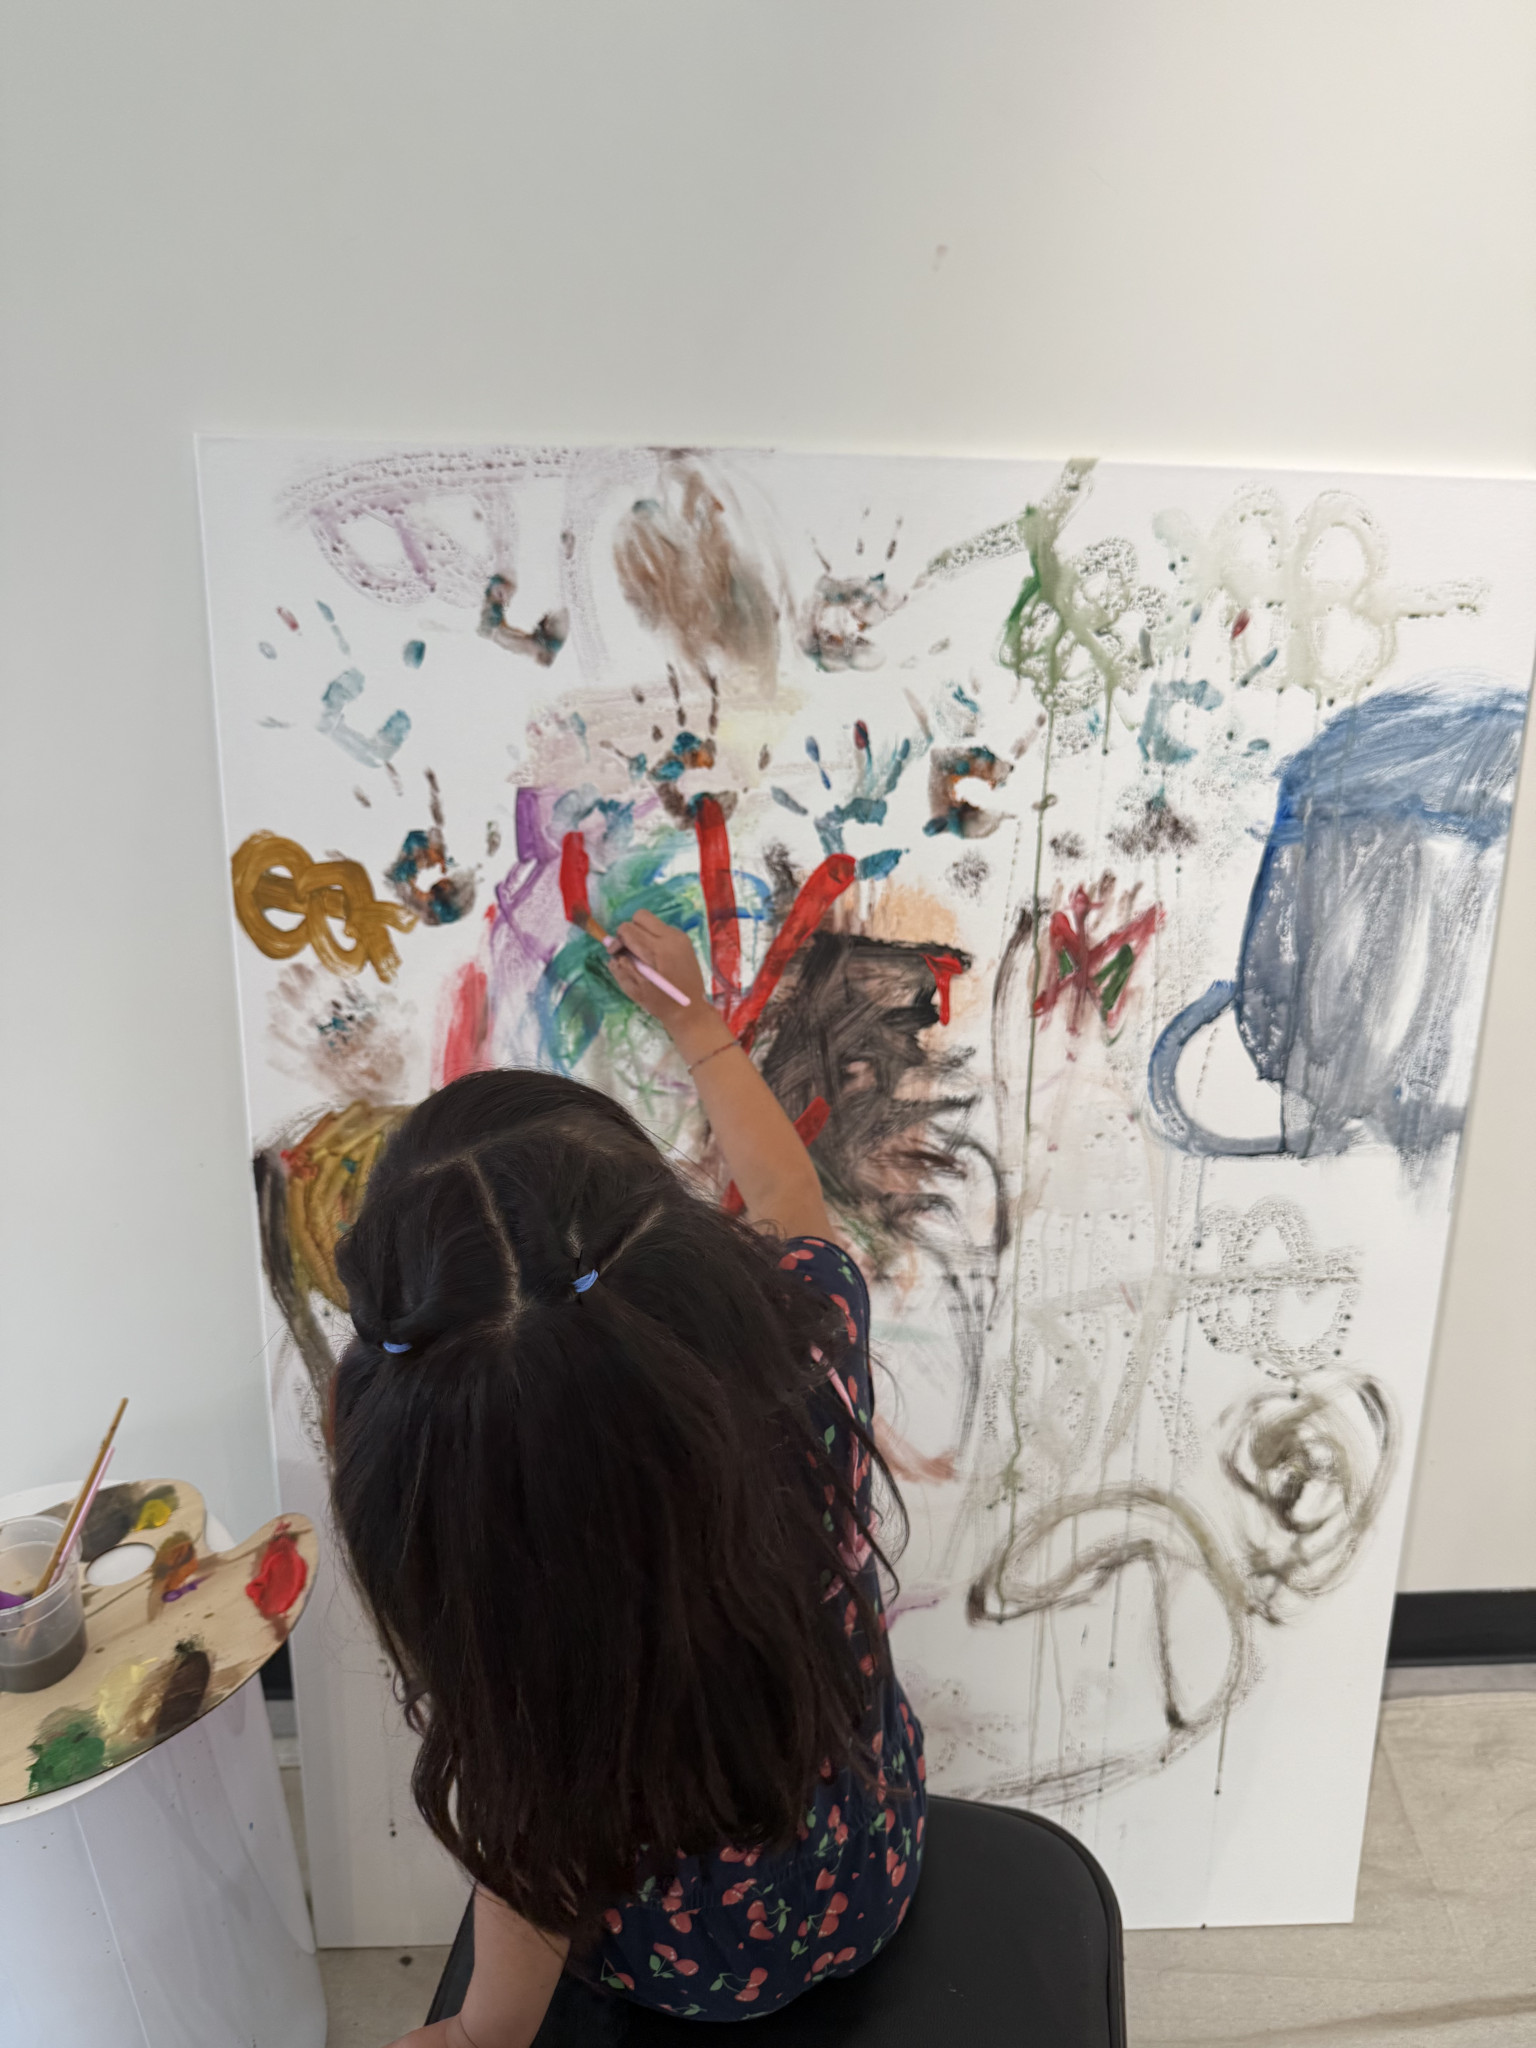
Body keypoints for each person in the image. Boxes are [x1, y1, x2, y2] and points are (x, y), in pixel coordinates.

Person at [328, 909, 926, 2047]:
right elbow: (790, 1201)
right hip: (873, 1858)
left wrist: (479, 2033)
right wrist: (703, 1032)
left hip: (692, 1972)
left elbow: (536, 1872)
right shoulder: (804, 1352)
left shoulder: (511, 1599)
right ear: (678, 1256)